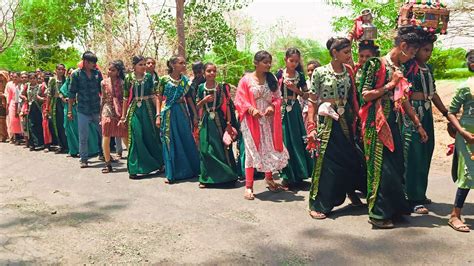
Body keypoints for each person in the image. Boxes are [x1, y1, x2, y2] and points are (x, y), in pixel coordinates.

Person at [359, 27, 428, 229]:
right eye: (413, 52)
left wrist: (418, 124)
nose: (414, 56)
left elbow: (403, 99)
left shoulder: (401, 68)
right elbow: (365, 95)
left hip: (395, 122)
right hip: (376, 123)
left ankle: (394, 209)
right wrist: (391, 84)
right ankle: (377, 214)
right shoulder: (376, 64)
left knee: (396, 167)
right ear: (403, 46)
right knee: (380, 168)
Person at [306, 38, 365, 219]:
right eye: (346, 52)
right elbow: (312, 101)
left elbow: (353, 97)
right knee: (328, 163)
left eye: (350, 52)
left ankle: (351, 192)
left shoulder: (349, 71)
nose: (349, 56)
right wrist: (311, 126)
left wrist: (360, 119)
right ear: (334, 53)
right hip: (327, 122)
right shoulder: (319, 72)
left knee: (350, 157)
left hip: (345, 120)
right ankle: (319, 204)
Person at [403, 32, 449, 215]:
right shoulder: (408, 67)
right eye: (425, 50)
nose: (428, 53)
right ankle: (410, 197)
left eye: (431, 50)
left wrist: (446, 113)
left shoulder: (428, 68)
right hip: (413, 112)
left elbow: (433, 93)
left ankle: (419, 193)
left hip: (427, 112)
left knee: (426, 151)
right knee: (412, 154)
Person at [234, 50, 289, 200]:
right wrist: (251, 109)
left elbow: (278, 98)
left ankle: (269, 179)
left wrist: (273, 106)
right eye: (265, 62)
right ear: (256, 63)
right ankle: (249, 186)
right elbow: (239, 100)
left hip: (268, 119)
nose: (269, 65)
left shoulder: (271, 79)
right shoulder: (246, 80)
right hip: (251, 120)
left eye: (270, 62)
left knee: (268, 148)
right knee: (252, 151)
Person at [157, 56, 200, 183]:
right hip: (168, 113)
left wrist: (195, 115)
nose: (184, 65)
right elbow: (159, 97)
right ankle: (171, 173)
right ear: (172, 64)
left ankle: (190, 169)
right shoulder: (164, 80)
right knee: (169, 141)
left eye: (184, 63)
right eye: (181, 63)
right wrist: (158, 115)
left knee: (186, 138)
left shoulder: (185, 81)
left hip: (182, 112)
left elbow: (189, 99)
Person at [195, 63, 239, 188]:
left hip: (219, 121)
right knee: (205, 149)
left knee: (221, 148)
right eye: (209, 71)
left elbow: (228, 106)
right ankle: (206, 178)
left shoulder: (221, 87)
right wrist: (204, 101)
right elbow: (197, 105)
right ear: (204, 72)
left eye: (214, 71)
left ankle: (227, 176)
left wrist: (229, 124)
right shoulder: (200, 88)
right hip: (206, 120)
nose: (212, 73)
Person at [120, 55, 164, 179]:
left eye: (144, 64)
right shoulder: (128, 78)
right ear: (134, 66)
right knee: (136, 136)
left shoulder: (149, 77)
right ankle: (134, 168)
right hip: (135, 109)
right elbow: (125, 98)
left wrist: (158, 113)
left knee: (150, 136)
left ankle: (158, 164)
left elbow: (154, 95)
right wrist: (123, 117)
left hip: (148, 109)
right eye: (141, 64)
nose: (144, 67)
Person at [275, 48, 313, 189]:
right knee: (285, 141)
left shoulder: (300, 75)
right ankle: (287, 176)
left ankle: (300, 174)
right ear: (285, 60)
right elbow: (272, 92)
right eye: (291, 61)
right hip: (282, 110)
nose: (294, 64)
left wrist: (295, 89)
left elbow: (306, 95)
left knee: (297, 140)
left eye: (296, 61)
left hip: (295, 109)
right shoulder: (279, 74)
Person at [446, 49, 474, 233]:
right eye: (471, 59)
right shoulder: (466, 86)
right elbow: (451, 112)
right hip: (468, 135)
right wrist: (462, 132)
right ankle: (455, 215)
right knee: (468, 174)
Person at [68, 51, 103, 168]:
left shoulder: (97, 74)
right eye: (92, 62)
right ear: (86, 62)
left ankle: (104, 154)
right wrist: (69, 111)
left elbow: (102, 91)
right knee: (83, 136)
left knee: (103, 133)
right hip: (83, 109)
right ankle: (84, 159)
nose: (94, 65)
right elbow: (71, 94)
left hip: (96, 109)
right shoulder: (76, 75)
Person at [59, 68, 100, 158]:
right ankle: (73, 150)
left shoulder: (80, 81)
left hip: (80, 108)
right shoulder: (67, 83)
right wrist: (64, 98)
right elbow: (61, 93)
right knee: (70, 129)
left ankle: (90, 150)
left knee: (84, 131)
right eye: (69, 73)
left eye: (72, 72)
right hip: (69, 108)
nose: (71, 74)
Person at [101, 60, 128, 173]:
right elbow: (103, 98)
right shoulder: (103, 83)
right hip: (107, 110)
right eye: (109, 69)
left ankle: (133, 160)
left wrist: (124, 115)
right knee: (106, 136)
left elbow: (125, 99)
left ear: (118, 72)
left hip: (120, 110)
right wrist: (100, 114)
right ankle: (108, 164)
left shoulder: (123, 83)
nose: (110, 72)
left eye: (113, 70)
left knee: (125, 136)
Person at [47, 64, 68, 153]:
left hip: (65, 103)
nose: (61, 71)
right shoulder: (52, 80)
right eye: (59, 69)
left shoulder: (66, 80)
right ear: (56, 70)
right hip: (56, 103)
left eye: (62, 69)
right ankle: (61, 145)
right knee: (57, 125)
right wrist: (48, 108)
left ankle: (68, 145)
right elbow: (49, 94)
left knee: (66, 124)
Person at [25, 73, 44, 151]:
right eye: (31, 78)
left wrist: (40, 98)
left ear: (36, 79)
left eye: (34, 78)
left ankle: (40, 143)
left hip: (38, 107)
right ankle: (33, 143)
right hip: (30, 107)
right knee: (31, 125)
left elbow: (45, 96)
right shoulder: (27, 86)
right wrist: (25, 98)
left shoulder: (40, 86)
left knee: (39, 125)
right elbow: (22, 94)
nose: (32, 80)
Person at [6, 71, 22, 144]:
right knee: (13, 120)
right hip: (12, 103)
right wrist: (7, 104)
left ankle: (21, 136)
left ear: (19, 77)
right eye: (13, 77)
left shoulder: (21, 85)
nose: (14, 78)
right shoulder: (9, 84)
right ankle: (15, 137)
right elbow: (9, 96)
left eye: (16, 77)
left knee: (20, 120)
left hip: (21, 103)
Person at [0, 71, 9, 142]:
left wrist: (4, 95)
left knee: (5, 120)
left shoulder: (8, 84)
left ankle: (7, 135)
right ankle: (2, 135)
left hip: (7, 102)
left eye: (2, 76)